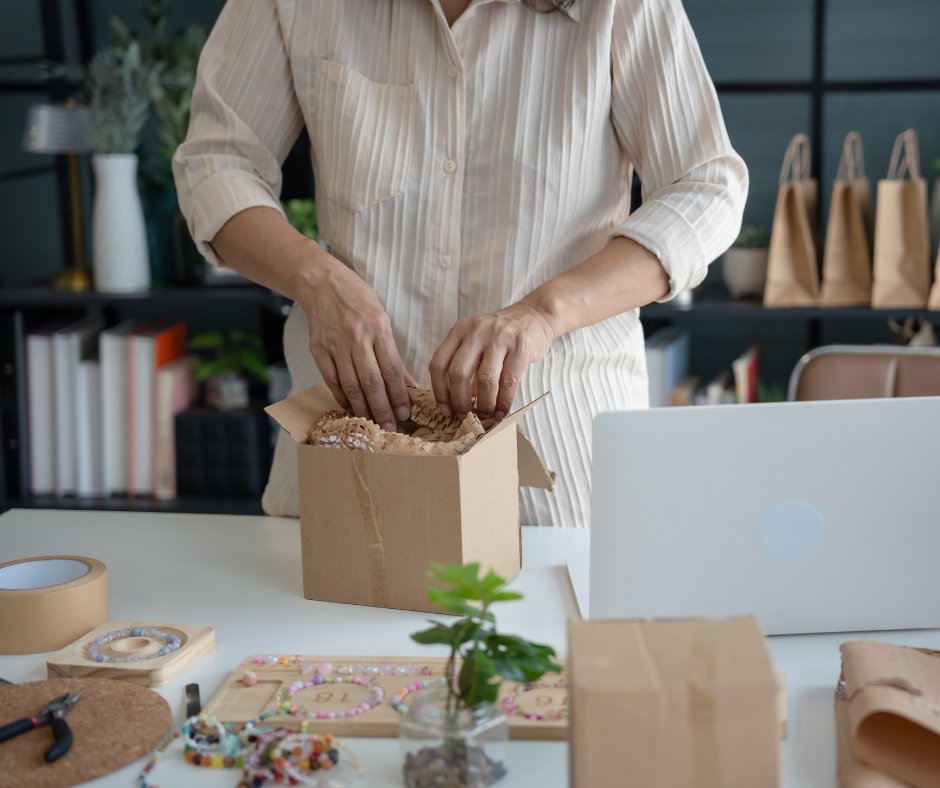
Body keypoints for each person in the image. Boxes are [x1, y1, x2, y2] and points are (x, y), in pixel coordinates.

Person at [174, 0, 747, 528]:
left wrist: (545, 312)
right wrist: (315, 278)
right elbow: (217, 162)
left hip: (562, 477)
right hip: (343, 464)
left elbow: (706, 187)